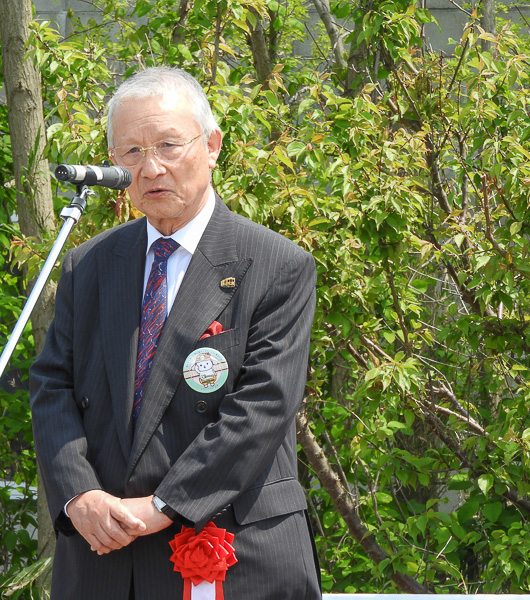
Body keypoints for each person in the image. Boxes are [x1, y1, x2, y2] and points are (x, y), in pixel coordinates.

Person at [29, 66, 321, 600]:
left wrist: (161, 505)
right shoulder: (88, 265)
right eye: (131, 152)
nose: (151, 168)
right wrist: (78, 496)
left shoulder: (276, 265)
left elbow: (262, 408)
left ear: (211, 145)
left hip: (230, 547)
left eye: (168, 144)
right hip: (103, 556)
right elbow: (53, 389)